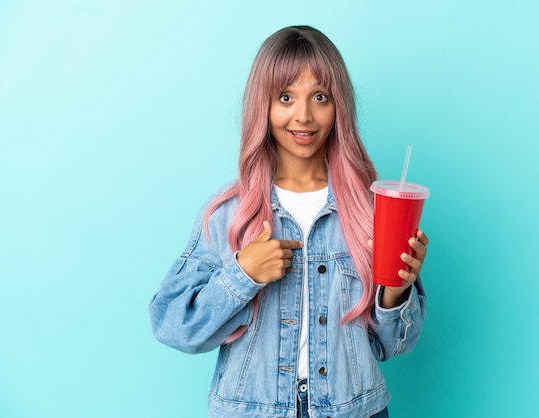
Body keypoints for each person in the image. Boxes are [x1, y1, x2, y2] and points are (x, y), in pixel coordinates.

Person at [149, 25, 429, 418]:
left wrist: (396, 291)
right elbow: (174, 326)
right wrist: (242, 274)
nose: (303, 115)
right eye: (285, 97)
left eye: (320, 97)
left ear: (339, 106)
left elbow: (392, 346)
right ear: (263, 105)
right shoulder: (229, 212)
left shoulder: (370, 210)